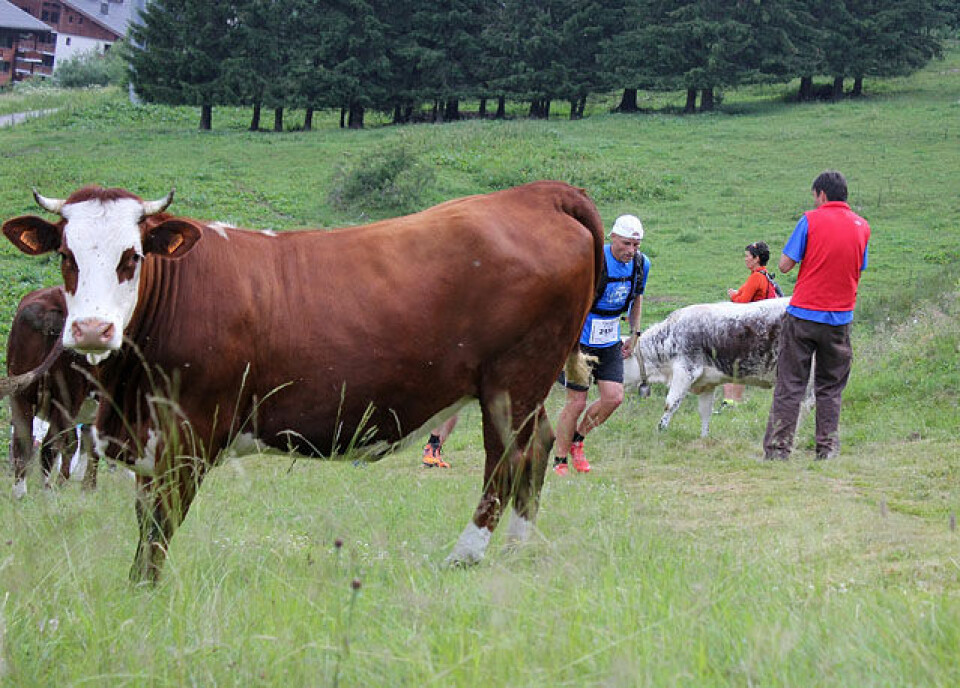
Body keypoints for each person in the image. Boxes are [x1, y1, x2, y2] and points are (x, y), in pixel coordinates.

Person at [763, 170, 870, 460]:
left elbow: (784, 265)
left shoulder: (810, 219)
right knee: (830, 387)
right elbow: (858, 267)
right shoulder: (863, 226)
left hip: (804, 315)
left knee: (790, 385)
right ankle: (827, 449)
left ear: (821, 194)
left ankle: (778, 450)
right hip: (840, 319)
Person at [553, 214, 650, 476]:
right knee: (576, 402)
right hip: (581, 341)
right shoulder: (594, 260)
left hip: (610, 339)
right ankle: (559, 460)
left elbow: (637, 298)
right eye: (627, 244)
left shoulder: (641, 264)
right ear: (613, 238)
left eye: (636, 245)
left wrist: (634, 333)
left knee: (614, 398)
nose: (631, 251)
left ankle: (578, 440)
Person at [721, 241, 780, 407]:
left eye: (748, 256)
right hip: (762, 330)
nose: (745, 259)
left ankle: (730, 402)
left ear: (756, 259)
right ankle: (734, 402)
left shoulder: (756, 277)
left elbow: (742, 302)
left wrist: (733, 296)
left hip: (750, 330)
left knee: (732, 363)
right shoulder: (766, 277)